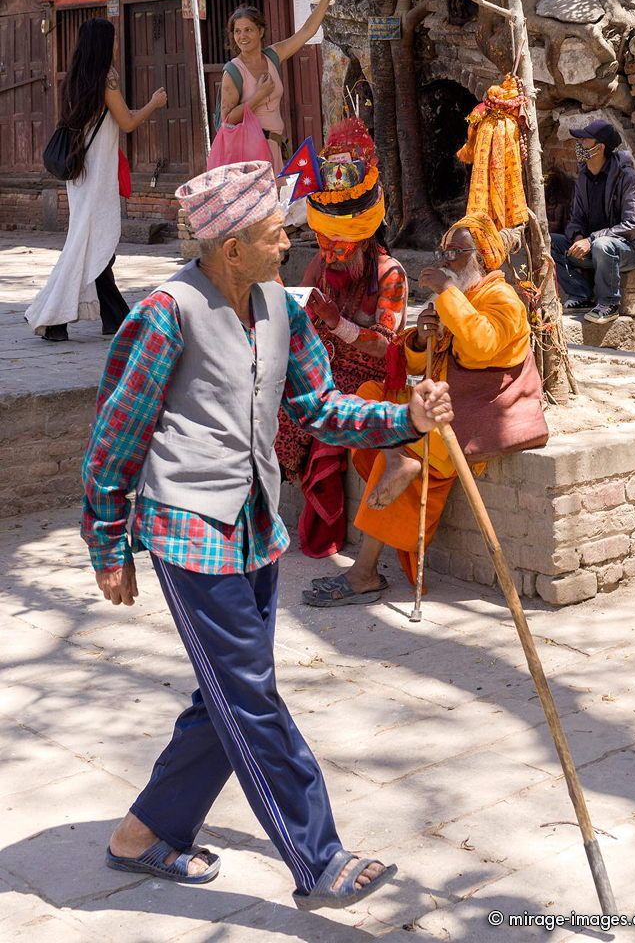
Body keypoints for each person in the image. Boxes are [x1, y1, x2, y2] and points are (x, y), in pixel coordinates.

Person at [80, 160, 453, 909]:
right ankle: (318, 859)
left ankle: (143, 834)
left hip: (252, 524)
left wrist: (405, 419)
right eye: (272, 233)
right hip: (188, 528)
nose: (287, 243)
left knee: (228, 691)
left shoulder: (280, 309)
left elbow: (321, 408)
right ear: (228, 249)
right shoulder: (163, 313)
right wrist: (109, 543)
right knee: (248, 695)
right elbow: (116, 438)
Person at [304, 212, 530, 607]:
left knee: (413, 450)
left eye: (457, 253)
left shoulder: (502, 299)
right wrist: (421, 340)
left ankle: (364, 573)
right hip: (439, 400)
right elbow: (412, 365)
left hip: (474, 415)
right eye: (444, 251)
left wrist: (446, 294)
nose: (446, 260)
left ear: (484, 256)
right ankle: (395, 457)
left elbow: (480, 347)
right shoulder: (459, 296)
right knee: (370, 393)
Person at [274, 117, 408, 558]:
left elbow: (384, 345)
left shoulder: (391, 275)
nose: (329, 254)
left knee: (325, 418)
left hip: (365, 372)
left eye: (340, 247)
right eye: (323, 243)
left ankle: (323, 531)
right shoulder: (319, 266)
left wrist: (336, 323)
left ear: (365, 238)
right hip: (320, 363)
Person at [25, 18, 167, 343]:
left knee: (93, 242)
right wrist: (154, 104)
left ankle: (114, 317)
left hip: (81, 175)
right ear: (104, 45)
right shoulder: (107, 79)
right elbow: (128, 122)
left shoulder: (76, 79)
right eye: (114, 40)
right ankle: (51, 318)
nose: (117, 45)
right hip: (97, 175)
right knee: (86, 243)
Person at [218, 0, 333, 174]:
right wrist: (260, 95)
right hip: (249, 153)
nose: (242, 36)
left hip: (275, 147)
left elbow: (306, 32)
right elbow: (227, 119)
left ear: (260, 31)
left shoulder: (273, 55)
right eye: (237, 31)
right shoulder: (233, 71)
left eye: (248, 30)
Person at [552, 119, 635, 325]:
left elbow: (633, 225)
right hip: (596, 246)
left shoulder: (628, 178)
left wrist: (590, 240)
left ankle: (608, 303)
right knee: (551, 241)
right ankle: (581, 296)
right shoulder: (583, 178)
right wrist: (578, 236)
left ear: (600, 147)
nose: (579, 144)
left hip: (631, 249)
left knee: (602, 244)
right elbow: (575, 218)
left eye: (585, 140)